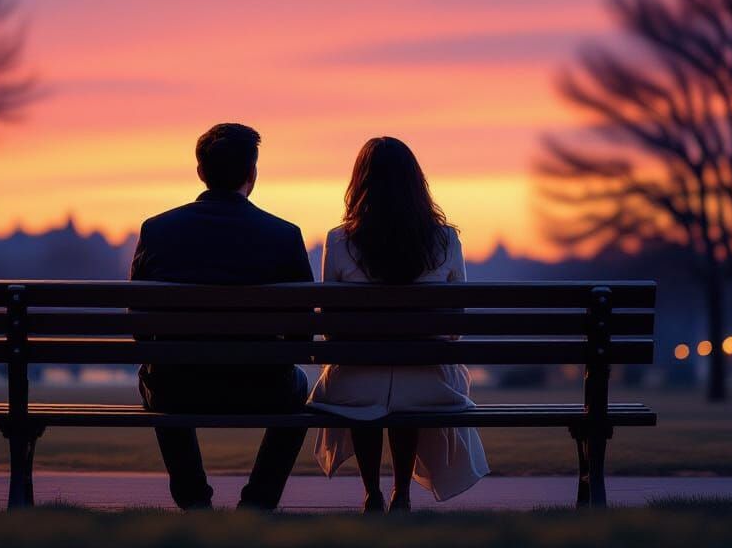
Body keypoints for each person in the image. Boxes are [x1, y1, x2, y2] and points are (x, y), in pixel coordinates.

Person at [130, 122, 314, 511]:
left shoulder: (158, 230)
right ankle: (259, 502)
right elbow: (304, 335)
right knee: (299, 389)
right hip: (263, 387)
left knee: (157, 378)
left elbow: (140, 327)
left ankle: (193, 497)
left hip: (179, 386)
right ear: (252, 173)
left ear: (201, 172)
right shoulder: (284, 235)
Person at [308, 136, 489, 512]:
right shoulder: (445, 240)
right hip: (430, 382)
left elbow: (330, 329)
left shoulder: (339, 241)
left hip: (356, 381)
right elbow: (456, 325)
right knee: (406, 384)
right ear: (416, 183)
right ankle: (401, 493)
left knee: (367, 391)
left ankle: (372, 492)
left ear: (360, 182)